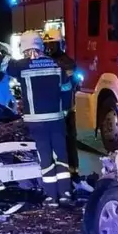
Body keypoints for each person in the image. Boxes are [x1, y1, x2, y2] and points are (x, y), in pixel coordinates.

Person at [0, 32, 74, 207]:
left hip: (36, 122)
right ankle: (66, 195)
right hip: (57, 120)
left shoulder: (22, 66)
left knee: (45, 158)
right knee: (61, 156)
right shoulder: (57, 65)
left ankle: (51, 198)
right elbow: (67, 88)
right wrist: (65, 110)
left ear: (24, 47)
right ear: (41, 46)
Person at [44, 29, 81, 183]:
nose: (49, 47)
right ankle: (66, 174)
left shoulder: (66, 63)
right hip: (56, 110)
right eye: (47, 44)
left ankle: (71, 173)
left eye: (51, 44)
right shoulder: (60, 62)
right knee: (61, 142)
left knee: (67, 142)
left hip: (64, 111)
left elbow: (71, 85)